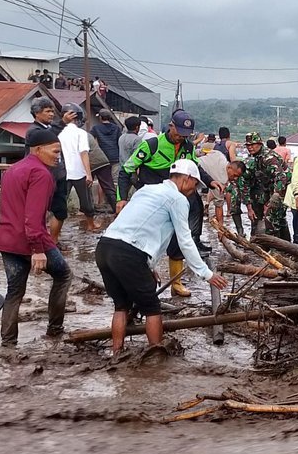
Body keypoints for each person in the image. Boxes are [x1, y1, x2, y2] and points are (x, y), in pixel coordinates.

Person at [97, 160, 228, 353]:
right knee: (152, 308)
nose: (194, 190)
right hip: (127, 253)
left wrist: (149, 267)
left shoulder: (146, 190)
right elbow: (185, 240)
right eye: (195, 185)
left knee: (121, 306)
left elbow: (143, 229)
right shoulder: (177, 199)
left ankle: (116, 353)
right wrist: (206, 273)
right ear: (186, 179)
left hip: (105, 247)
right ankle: (156, 356)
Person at [118, 109, 219, 297]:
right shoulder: (151, 145)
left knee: (178, 238)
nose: (181, 138)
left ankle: (176, 283)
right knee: (146, 238)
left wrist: (210, 180)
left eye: (186, 135)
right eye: (178, 132)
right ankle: (139, 281)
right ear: (171, 126)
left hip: (175, 198)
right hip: (151, 200)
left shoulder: (188, 147)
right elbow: (126, 170)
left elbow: (195, 166)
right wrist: (121, 198)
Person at [0, 128, 72, 346]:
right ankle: (55, 330)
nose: (58, 156)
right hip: (30, 239)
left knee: (14, 291)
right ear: (38, 150)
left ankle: (8, 344)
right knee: (64, 275)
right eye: (55, 151)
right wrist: (37, 249)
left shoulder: (13, 170)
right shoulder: (41, 174)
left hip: (6, 239)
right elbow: (33, 216)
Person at [26, 99, 75, 247]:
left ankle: (53, 241)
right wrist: (62, 122)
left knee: (59, 211)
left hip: (56, 175)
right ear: (36, 113)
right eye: (47, 111)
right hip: (44, 176)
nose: (51, 114)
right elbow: (47, 136)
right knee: (42, 211)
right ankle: (47, 242)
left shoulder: (46, 128)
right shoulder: (34, 131)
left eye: (52, 111)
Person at [238, 132, 291, 241]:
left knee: (271, 219)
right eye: (248, 145)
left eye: (253, 144)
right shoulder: (257, 157)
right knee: (279, 219)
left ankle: (276, 247)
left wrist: (274, 198)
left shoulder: (268, 158)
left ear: (260, 144)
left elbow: (280, 177)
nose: (250, 147)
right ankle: (287, 246)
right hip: (272, 188)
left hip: (283, 188)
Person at [57, 104, 100, 231]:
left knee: (60, 201)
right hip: (78, 172)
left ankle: (54, 230)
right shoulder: (81, 133)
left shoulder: (57, 132)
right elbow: (84, 153)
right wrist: (88, 173)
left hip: (61, 171)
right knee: (85, 200)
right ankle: (91, 224)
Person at [197, 146, 246, 230]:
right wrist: (221, 228)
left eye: (238, 177)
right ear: (229, 167)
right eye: (234, 175)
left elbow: (205, 151)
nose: (235, 179)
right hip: (192, 176)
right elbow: (219, 206)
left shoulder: (220, 155)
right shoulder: (222, 180)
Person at [91, 109, 123, 190]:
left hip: (102, 157)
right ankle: (115, 199)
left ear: (100, 118)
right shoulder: (116, 128)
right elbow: (119, 141)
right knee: (115, 180)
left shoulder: (96, 128)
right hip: (115, 156)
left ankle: (101, 201)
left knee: (103, 181)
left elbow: (90, 138)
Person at [87, 130, 116, 211]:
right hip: (103, 160)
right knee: (108, 187)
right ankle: (117, 209)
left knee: (86, 187)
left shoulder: (76, 136)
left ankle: (90, 209)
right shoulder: (87, 134)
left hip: (91, 162)